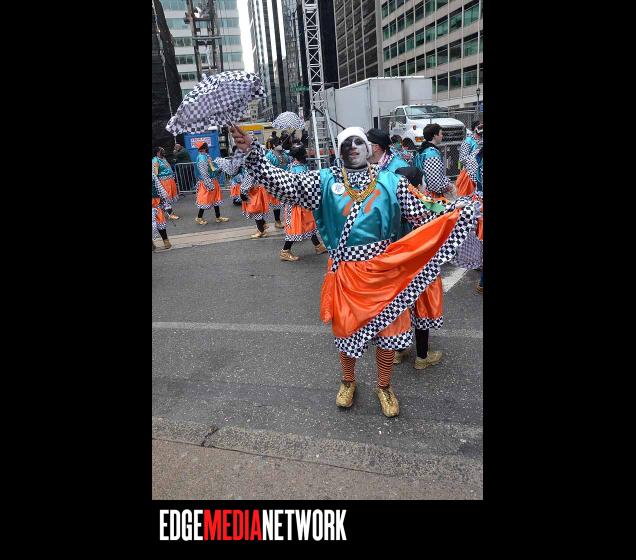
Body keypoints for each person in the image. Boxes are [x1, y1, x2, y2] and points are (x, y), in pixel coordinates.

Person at [230, 124, 478, 418]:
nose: (352, 148)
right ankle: (348, 381)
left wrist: (460, 208)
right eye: (346, 143)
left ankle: (384, 386)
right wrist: (252, 152)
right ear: (339, 150)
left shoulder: (391, 182)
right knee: (347, 331)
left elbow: (425, 210)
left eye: (358, 142)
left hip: (385, 271)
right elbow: (284, 184)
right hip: (346, 273)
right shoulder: (323, 182)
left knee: (389, 333)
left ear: (369, 147)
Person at [393, 166, 447, 369]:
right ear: (415, 186)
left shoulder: (389, 206)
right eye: (422, 183)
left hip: (396, 266)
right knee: (421, 306)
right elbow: (445, 213)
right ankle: (422, 357)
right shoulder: (422, 207)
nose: (425, 187)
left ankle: (399, 351)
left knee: (400, 306)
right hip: (420, 266)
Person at [280, 146, 328, 261]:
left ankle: (318, 246)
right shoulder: (298, 169)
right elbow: (302, 187)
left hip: (301, 202)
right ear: (301, 156)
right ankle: (285, 251)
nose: (307, 155)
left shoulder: (293, 166)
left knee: (309, 223)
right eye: (305, 154)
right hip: (297, 203)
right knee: (295, 226)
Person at [413, 124, 453, 202]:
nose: (442, 136)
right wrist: (448, 186)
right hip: (432, 197)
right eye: (441, 133)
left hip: (423, 192)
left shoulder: (423, 151)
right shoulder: (432, 154)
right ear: (435, 135)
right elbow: (434, 182)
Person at [194, 142, 230, 225]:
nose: (208, 147)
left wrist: (218, 170)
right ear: (204, 148)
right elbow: (204, 173)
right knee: (204, 200)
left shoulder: (206, 156)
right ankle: (199, 217)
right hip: (207, 182)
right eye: (206, 146)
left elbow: (212, 168)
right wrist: (209, 184)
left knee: (215, 199)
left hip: (212, 180)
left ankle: (218, 217)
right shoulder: (202, 158)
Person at [264, 138, 288, 228]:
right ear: (274, 145)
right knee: (276, 202)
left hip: (286, 179)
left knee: (287, 201)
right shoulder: (269, 156)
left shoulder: (284, 153)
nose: (281, 145)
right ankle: (277, 221)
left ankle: (288, 219)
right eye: (279, 143)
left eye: (281, 143)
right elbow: (266, 169)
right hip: (274, 182)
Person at [456, 121, 482, 196]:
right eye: (480, 127)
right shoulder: (468, 141)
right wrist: (474, 164)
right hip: (469, 173)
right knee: (468, 196)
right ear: (475, 128)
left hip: (480, 172)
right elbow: (462, 158)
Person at [152, 147, 180, 220]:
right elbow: (155, 173)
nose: (164, 151)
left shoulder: (163, 159)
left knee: (165, 199)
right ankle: (170, 214)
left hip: (169, 181)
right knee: (166, 198)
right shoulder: (155, 160)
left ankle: (161, 214)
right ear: (158, 152)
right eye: (162, 150)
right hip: (163, 182)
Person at [152, 173, 172, 251]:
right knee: (160, 220)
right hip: (154, 201)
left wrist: (164, 198)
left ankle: (165, 241)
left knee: (160, 220)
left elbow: (158, 186)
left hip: (154, 202)